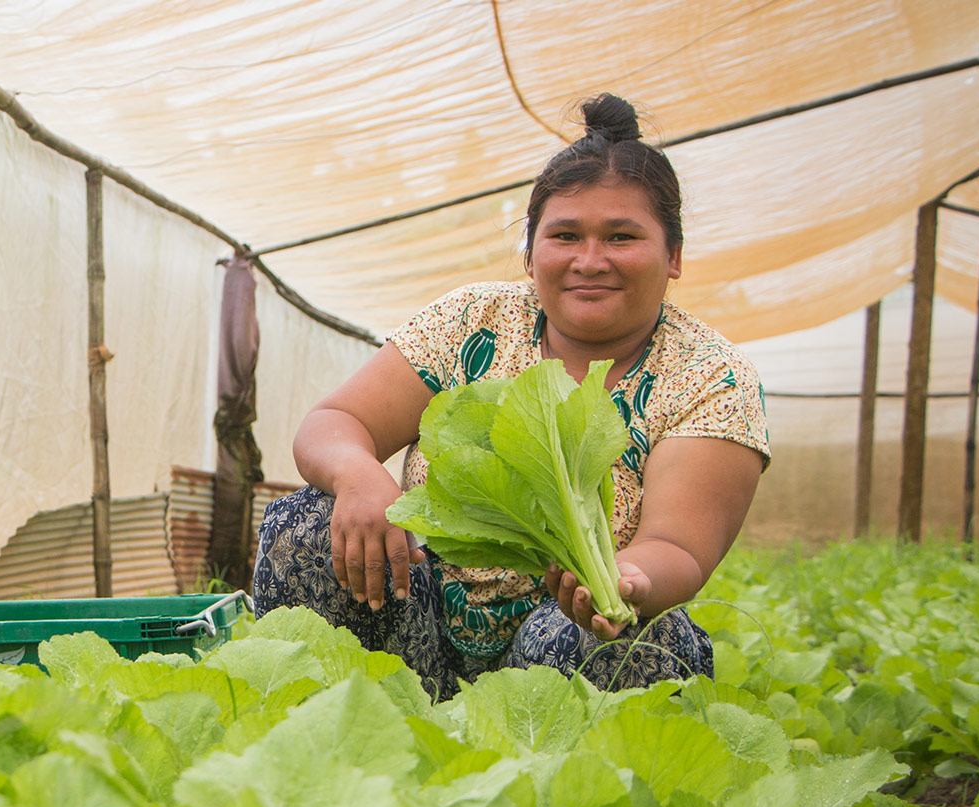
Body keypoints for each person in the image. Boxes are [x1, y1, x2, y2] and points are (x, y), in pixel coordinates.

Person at [254, 95, 768, 698]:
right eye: (566, 236)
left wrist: (625, 582)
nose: (590, 260)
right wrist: (358, 474)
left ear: (673, 256)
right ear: (531, 253)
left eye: (622, 237)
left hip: (565, 640)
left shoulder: (711, 376)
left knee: (634, 638)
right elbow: (336, 421)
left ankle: (556, 780)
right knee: (307, 520)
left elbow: (677, 546)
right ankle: (349, 742)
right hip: (415, 621)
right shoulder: (471, 321)